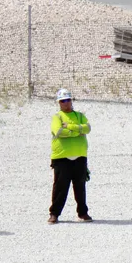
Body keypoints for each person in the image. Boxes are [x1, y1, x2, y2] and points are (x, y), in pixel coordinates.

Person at [49, 88, 92, 223]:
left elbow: (87, 128)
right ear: (59, 103)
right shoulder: (57, 117)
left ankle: (83, 213)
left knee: (80, 186)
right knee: (60, 188)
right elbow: (58, 131)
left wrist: (71, 127)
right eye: (63, 101)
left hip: (79, 156)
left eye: (68, 100)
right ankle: (54, 213)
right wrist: (77, 131)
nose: (66, 103)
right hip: (61, 157)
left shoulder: (80, 115)